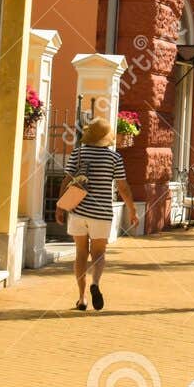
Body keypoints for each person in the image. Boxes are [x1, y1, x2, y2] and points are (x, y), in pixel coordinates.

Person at [62, 116, 137, 311]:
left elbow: (66, 180)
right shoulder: (114, 158)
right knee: (98, 253)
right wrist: (132, 209)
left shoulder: (78, 153)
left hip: (78, 210)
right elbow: (123, 187)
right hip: (102, 212)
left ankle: (81, 298)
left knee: (80, 253)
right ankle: (95, 282)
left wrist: (59, 207)